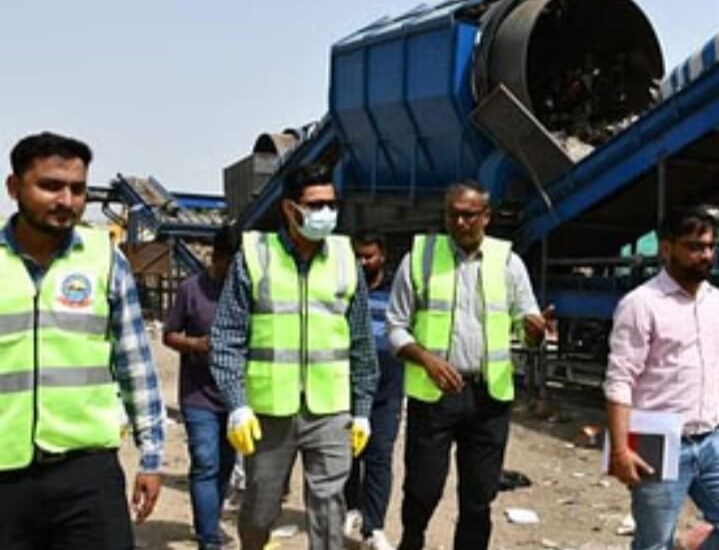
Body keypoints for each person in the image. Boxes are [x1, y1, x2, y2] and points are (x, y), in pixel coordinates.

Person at [0, 132, 165, 549]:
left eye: (78, 189)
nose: (67, 200)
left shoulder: (104, 259)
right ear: (14, 187)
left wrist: (151, 456)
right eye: (50, 186)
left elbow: (135, 364)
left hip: (86, 471)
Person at [210, 165, 379, 550]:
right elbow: (226, 337)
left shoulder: (345, 259)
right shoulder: (255, 257)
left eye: (332, 204)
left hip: (331, 409)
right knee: (260, 508)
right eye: (316, 205)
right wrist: (238, 405)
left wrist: (363, 410)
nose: (327, 213)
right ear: (289, 208)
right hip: (269, 412)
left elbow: (361, 342)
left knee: (329, 506)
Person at [387, 179, 553, 550]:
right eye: (453, 215)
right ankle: (412, 540)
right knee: (423, 489)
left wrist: (534, 331)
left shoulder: (509, 263)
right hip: (434, 396)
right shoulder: (419, 259)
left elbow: (525, 324)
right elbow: (395, 327)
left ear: (486, 216)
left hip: (488, 398)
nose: (460, 222)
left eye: (469, 215)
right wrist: (427, 360)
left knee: (479, 496)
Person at [604, 206, 719, 550]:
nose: (705, 255)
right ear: (666, 248)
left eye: (710, 247)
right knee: (655, 542)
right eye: (694, 247)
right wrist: (620, 449)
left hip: (711, 438)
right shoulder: (641, 304)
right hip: (655, 439)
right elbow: (620, 381)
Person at [164, 228, 237, 550]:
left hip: (235, 397)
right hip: (198, 395)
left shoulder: (245, 293)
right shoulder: (190, 290)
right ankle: (209, 539)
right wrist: (195, 344)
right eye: (228, 264)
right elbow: (169, 334)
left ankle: (209, 520)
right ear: (217, 258)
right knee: (206, 461)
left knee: (225, 464)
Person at [343, 232, 401, 550]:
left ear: (383, 256)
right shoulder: (346, 288)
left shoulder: (398, 289)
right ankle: (351, 508)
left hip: (388, 386)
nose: (363, 262)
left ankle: (373, 527)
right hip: (348, 383)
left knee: (380, 456)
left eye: (369, 256)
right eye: (359, 256)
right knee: (349, 454)